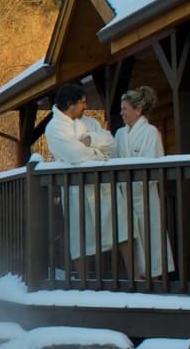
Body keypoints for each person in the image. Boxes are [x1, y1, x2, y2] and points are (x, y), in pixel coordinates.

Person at [44, 82, 122, 263]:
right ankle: (83, 285)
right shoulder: (54, 128)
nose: (85, 106)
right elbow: (76, 154)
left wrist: (91, 138)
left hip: (99, 189)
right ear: (70, 103)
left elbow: (111, 141)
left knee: (119, 232)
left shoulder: (84, 124)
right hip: (75, 191)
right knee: (80, 242)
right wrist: (100, 154)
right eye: (82, 102)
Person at [114, 85, 174, 278]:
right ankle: (136, 277)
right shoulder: (120, 134)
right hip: (124, 196)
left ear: (138, 110)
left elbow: (155, 166)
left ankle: (154, 277)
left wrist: (138, 186)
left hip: (145, 195)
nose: (121, 112)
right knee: (130, 236)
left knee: (151, 235)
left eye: (125, 108)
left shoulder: (150, 133)